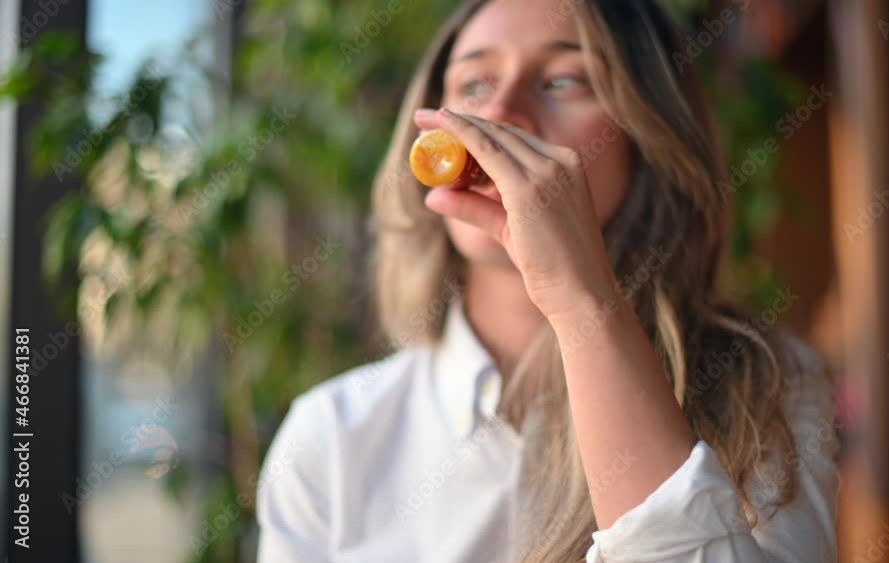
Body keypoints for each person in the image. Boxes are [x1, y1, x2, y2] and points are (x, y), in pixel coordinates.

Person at [255, 1, 838, 561]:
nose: (500, 113)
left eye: (563, 81)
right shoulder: (330, 438)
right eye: (474, 86)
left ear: (647, 138)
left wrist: (581, 302)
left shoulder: (763, 388)